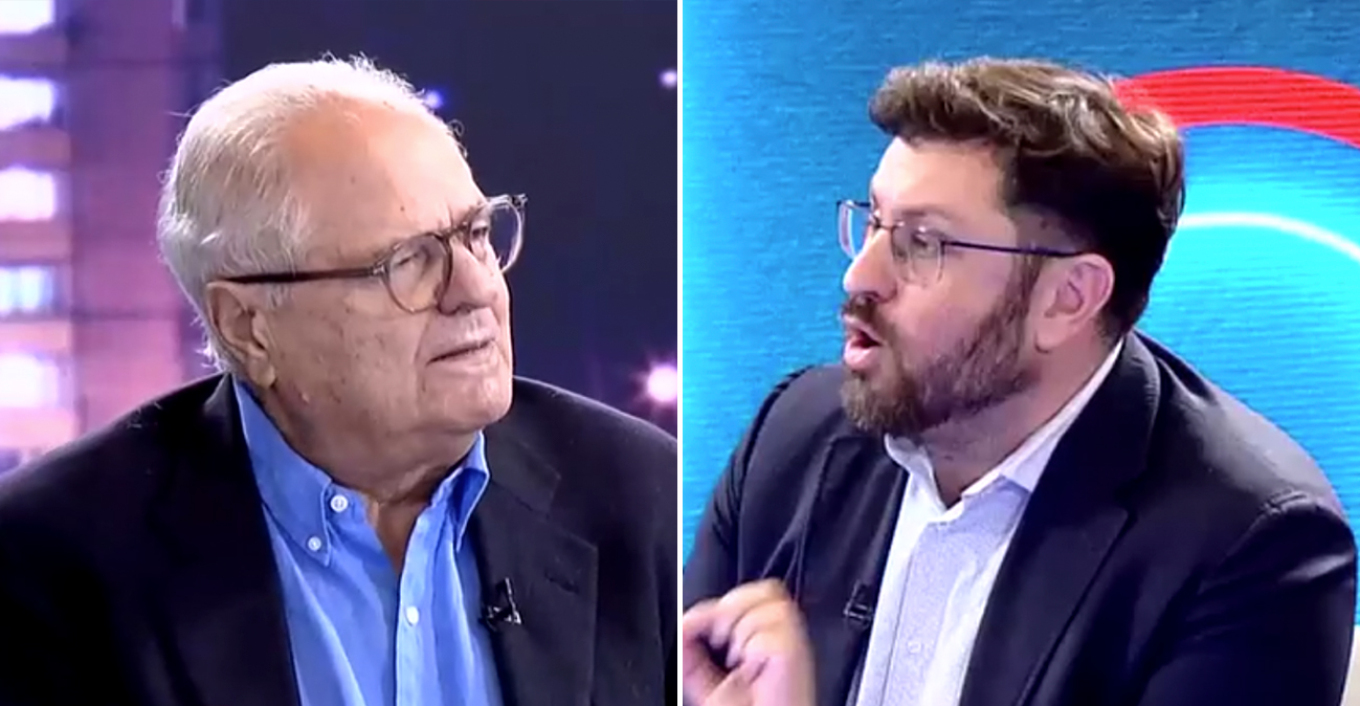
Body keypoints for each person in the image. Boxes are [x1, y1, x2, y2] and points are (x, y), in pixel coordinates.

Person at [0, 57, 676, 706]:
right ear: (248, 327)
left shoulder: (641, 497)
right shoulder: (53, 562)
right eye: (407, 261)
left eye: (475, 233)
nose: (476, 288)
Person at [682, 57, 1357, 706]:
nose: (860, 276)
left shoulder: (1251, 546)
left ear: (1068, 298)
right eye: (875, 222)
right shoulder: (794, 436)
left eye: (923, 243)